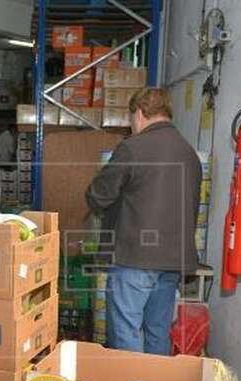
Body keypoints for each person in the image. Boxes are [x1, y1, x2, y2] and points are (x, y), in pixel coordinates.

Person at [86, 87, 202, 355]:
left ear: (139, 113)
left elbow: (99, 196)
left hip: (135, 259)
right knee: (157, 330)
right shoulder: (190, 155)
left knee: (126, 329)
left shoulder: (132, 148)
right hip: (172, 262)